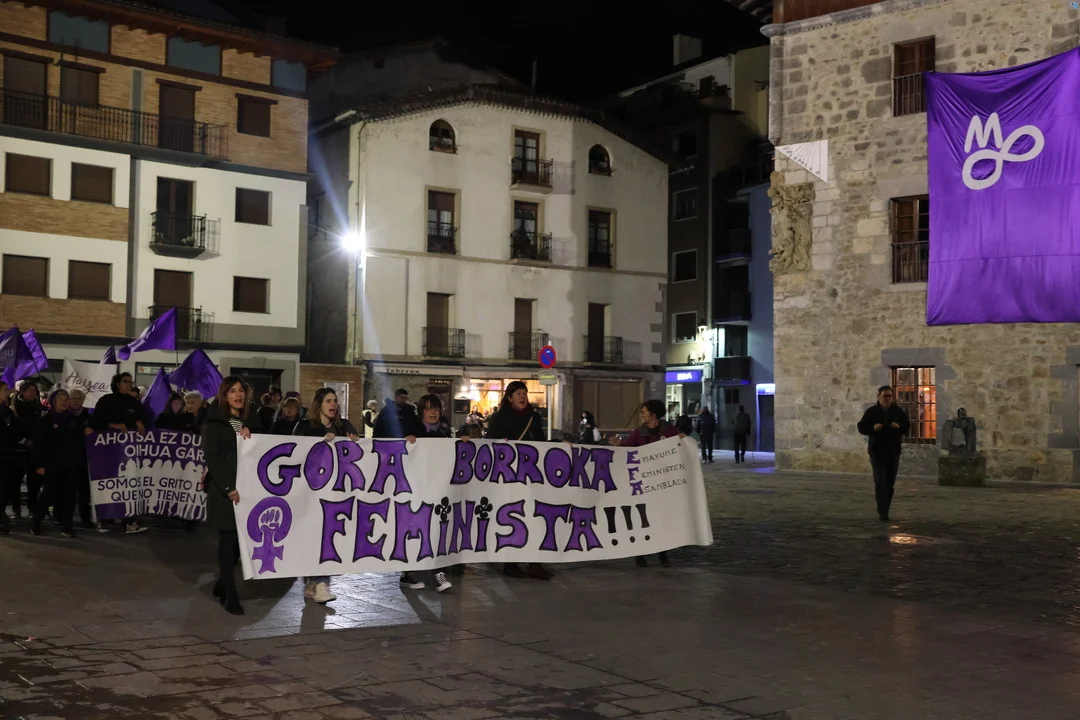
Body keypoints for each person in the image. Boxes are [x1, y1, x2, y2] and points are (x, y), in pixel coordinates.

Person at [293, 387, 358, 604]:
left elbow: (358, 449)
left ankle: (318, 583)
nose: (333, 405)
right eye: (329, 400)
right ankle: (318, 583)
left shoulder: (343, 426)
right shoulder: (305, 426)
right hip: (310, 491)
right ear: (319, 404)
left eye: (335, 401)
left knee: (328, 535)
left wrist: (354, 441)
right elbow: (294, 451)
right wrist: (319, 442)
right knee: (315, 535)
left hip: (335, 493)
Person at [486, 381, 553, 581]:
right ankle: (511, 563)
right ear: (509, 398)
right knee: (513, 517)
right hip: (509, 476)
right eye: (518, 394)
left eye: (524, 393)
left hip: (531, 474)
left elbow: (541, 442)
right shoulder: (499, 418)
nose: (522, 397)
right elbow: (489, 444)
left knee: (535, 517)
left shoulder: (534, 417)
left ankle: (535, 564)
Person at [202, 376, 256, 615]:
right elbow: (212, 457)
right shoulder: (214, 422)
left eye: (241, 390)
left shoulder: (251, 421)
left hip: (246, 490)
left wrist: (252, 435)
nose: (238, 394)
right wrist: (227, 488)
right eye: (232, 391)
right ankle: (230, 595)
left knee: (239, 544)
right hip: (225, 492)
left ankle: (223, 583)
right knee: (229, 539)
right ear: (224, 395)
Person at [610, 399, 685, 568]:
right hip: (642, 483)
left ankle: (663, 553)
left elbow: (680, 449)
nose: (642, 416)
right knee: (642, 518)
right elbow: (628, 450)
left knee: (661, 518)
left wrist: (683, 441)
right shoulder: (638, 433)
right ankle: (640, 554)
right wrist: (619, 445)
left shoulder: (670, 431)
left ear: (653, 415)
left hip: (663, 483)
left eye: (644, 412)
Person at [408, 394, 454, 592]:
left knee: (437, 529)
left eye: (436, 408)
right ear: (421, 412)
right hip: (416, 488)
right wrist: (407, 443)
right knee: (415, 529)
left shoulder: (445, 433)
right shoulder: (412, 430)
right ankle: (409, 571)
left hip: (438, 488)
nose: (433, 412)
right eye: (428, 409)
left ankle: (438, 572)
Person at [92, 373, 148, 534]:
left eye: (131, 381)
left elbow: (142, 417)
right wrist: (112, 425)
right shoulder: (106, 400)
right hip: (108, 451)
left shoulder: (134, 402)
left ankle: (128, 521)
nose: (129, 384)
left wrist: (140, 421)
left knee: (128, 485)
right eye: (125, 381)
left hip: (128, 453)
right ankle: (103, 520)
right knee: (108, 484)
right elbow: (96, 421)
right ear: (117, 384)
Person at [30, 389, 82, 538]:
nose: (65, 402)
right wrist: (39, 465)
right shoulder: (46, 419)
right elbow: (39, 444)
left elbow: (78, 441)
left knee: (69, 498)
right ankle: (36, 522)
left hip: (69, 465)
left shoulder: (72, 419)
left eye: (66, 399)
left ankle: (67, 527)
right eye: (61, 399)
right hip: (51, 465)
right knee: (47, 495)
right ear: (54, 401)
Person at [857, 385, 911, 522]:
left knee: (889, 483)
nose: (887, 399)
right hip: (877, 451)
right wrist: (873, 428)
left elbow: (907, 427)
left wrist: (899, 427)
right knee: (880, 481)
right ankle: (883, 511)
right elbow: (861, 427)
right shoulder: (872, 412)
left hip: (893, 451)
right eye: (885, 396)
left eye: (889, 396)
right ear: (879, 396)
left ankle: (885, 507)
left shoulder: (898, 411)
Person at [66, 389, 99, 532]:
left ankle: (85, 519)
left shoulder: (89, 418)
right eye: (73, 398)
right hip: (68, 460)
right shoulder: (64, 416)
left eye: (79, 398)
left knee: (85, 492)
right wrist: (81, 432)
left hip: (85, 460)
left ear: (83, 400)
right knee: (68, 492)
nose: (75, 401)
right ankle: (64, 519)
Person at [11, 380, 43, 517]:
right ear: (22, 391)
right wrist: (23, 440)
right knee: (15, 479)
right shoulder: (14, 406)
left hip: (33, 449)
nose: (32, 392)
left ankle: (32, 508)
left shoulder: (36, 405)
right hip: (18, 449)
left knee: (34, 480)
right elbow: (12, 428)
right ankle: (16, 508)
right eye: (29, 390)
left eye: (34, 390)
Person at [0, 380, 17, 535]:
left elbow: (14, 433)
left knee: (5, 489)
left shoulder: (7, 412)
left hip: (7, 457)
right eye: (5, 390)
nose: (8, 393)